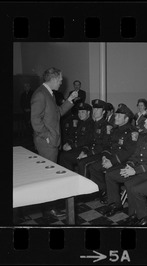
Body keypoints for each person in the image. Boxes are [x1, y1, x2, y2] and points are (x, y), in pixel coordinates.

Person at [99, 109, 147, 219]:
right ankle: (114, 204)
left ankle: (134, 215)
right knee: (110, 175)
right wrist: (129, 165)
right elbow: (135, 155)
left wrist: (135, 170)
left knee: (130, 183)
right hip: (135, 168)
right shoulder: (143, 135)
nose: (145, 121)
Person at [30, 67, 78, 217]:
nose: (62, 82)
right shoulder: (40, 94)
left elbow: (56, 113)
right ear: (53, 79)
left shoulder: (48, 93)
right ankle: (50, 207)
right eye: (60, 80)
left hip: (51, 141)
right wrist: (47, 136)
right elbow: (35, 120)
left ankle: (48, 205)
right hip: (47, 142)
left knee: (49, 174)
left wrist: (70, 101)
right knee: (49, 175)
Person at [88, 103, 138, 203]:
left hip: (123, 161)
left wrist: (112, 162)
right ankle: (104, 191)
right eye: (116, 115)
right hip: (111, 158)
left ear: (126, 119)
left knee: (110, 173)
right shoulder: (115, 129)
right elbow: (109, 146)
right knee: (93, 167)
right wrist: (105, 157)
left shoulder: (132, 132)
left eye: (119, 116)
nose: (116, 117)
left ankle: (114, 203)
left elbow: (128, 152)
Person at [76, 99, 110, 177]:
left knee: (83, 163)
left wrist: (88, 154)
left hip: (100, 153)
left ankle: (86, 187)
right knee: (80, 160)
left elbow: (104, 145)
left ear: (103, 112)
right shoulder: (92, 124)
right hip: (92, 151)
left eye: (98, 109)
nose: (95, 111)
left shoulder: (107, 126)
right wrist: (84, 151)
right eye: (94, 108)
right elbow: (89, 141)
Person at [58, 103, 94, 171]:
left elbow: (86, 140)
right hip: (77, 147)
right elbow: (74, 135)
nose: (80, 114)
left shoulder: (91, 124)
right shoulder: (80, 122)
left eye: (83, 112)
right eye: (79, 112)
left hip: (85, 149)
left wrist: (72, 146)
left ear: (88, 112)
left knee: (64, 157)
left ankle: (70, 176)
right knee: (62, 154)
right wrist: (68, 143)